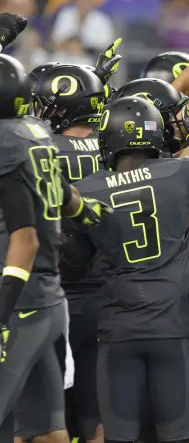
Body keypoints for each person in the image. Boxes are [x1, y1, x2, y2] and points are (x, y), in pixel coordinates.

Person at [73, 95, 189, 443]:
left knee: (119, 437)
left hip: (118, 331)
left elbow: (75, 261)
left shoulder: (89, 189)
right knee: (176, 437)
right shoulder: (181, 172)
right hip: (171, 333)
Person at [0, 53, 110, 443]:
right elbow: (66, 196)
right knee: (46, 429)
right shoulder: (36, 135)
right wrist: (92, 212)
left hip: (18, 301)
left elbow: (23, 239)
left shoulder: (7, 143)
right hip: (49, 299)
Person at [31, 63, 108, 443]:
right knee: (97, 417)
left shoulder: (36, 147)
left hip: (46, 297)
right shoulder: (115, 143)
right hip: (108, 298)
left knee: (43, 419)